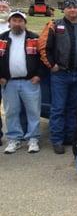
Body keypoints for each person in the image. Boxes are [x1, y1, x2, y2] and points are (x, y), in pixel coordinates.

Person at [39, 0, 77, 154]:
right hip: (61, 75)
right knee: (58, 108)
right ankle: (57, 139)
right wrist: (52, 65)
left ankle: (70, 137)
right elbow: (43, 47)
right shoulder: (54, 25)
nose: (72, 10)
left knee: (74, 108)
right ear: (63, 10)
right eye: (68, 7)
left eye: (75, 7)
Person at [0, 11, 42, 154]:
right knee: (11, 112)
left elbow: (42, 58)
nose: (17, 24)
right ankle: (14, 139)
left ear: (25, 23)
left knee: (33, 111)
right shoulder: (2, 39)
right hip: (9, 82)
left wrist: (38, 75)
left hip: (30, 81)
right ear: (9, 22)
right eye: (14, 21)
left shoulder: (34, 38)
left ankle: (33, 139)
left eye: (20, 21)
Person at [0, 0, 12, 146]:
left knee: (12, 108)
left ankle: (17, 135)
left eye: (4, 7)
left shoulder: (14, 25)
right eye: (0, 7)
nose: (2, 9)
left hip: (13, 75)